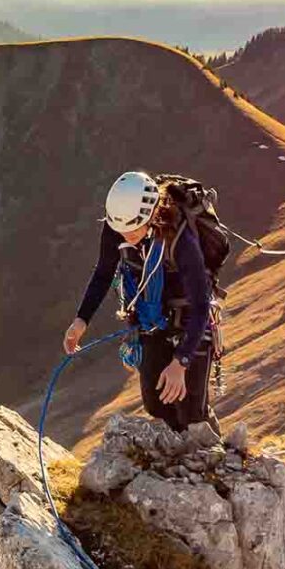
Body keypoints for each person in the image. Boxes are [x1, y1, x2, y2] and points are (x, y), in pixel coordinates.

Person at [63, 170, 217, 432]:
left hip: (190, 320)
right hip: (149, 319)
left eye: (133, 230)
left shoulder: (180, 239)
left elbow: (201, 305)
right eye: (121, 230)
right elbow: (103, 272)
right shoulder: (118, 226)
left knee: (192, 413)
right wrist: (81, 320)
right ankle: (175, 461)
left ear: (151, 215)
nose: (126, 237)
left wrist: (181, 362)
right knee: (157, 405)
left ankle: (215, 460)